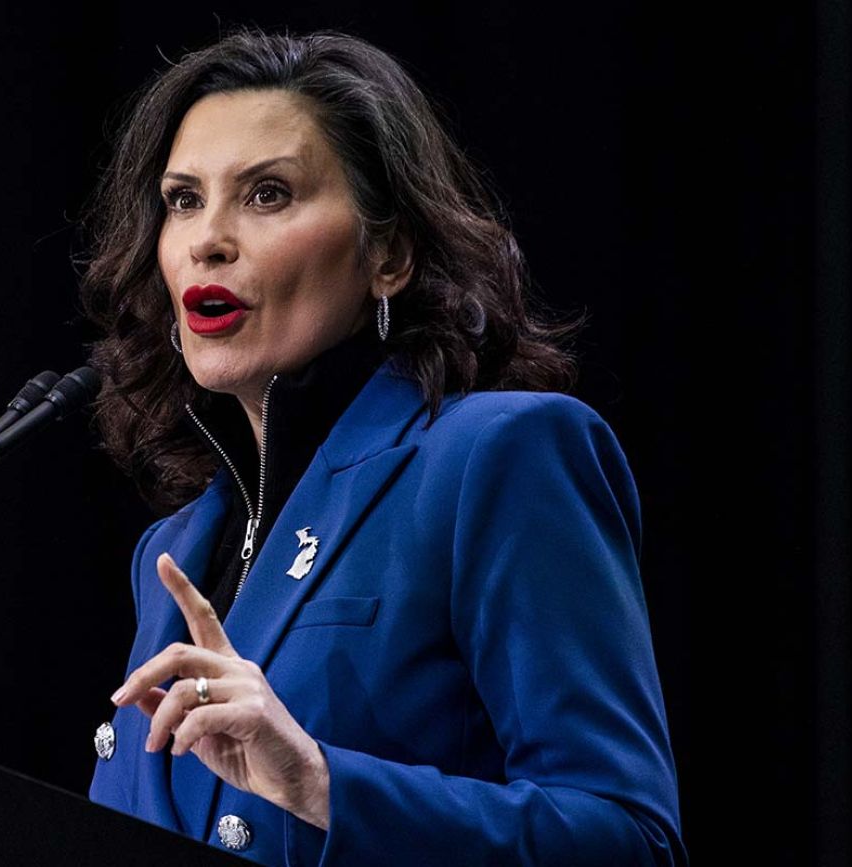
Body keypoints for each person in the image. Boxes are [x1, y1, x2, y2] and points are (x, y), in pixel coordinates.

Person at [80, 28, 686, 866]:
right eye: (183, 199)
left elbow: (629, 840)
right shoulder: (174, 549)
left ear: (390, 253)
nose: (206, 240)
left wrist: (321, 782)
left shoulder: (495, 457)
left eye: (267, 195)